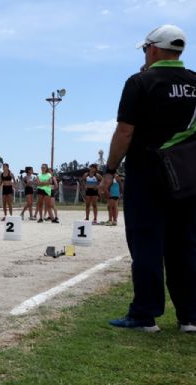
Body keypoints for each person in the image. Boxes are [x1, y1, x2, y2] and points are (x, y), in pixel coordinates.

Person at [100, 25, 196, 332]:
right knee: (186, 245)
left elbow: (125, 131)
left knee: (146, 244)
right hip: (188, 177)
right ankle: (190, 316)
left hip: (148, 175)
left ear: (152, 49)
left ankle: (144, 315)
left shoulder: (140, 82)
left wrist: (109, 170)